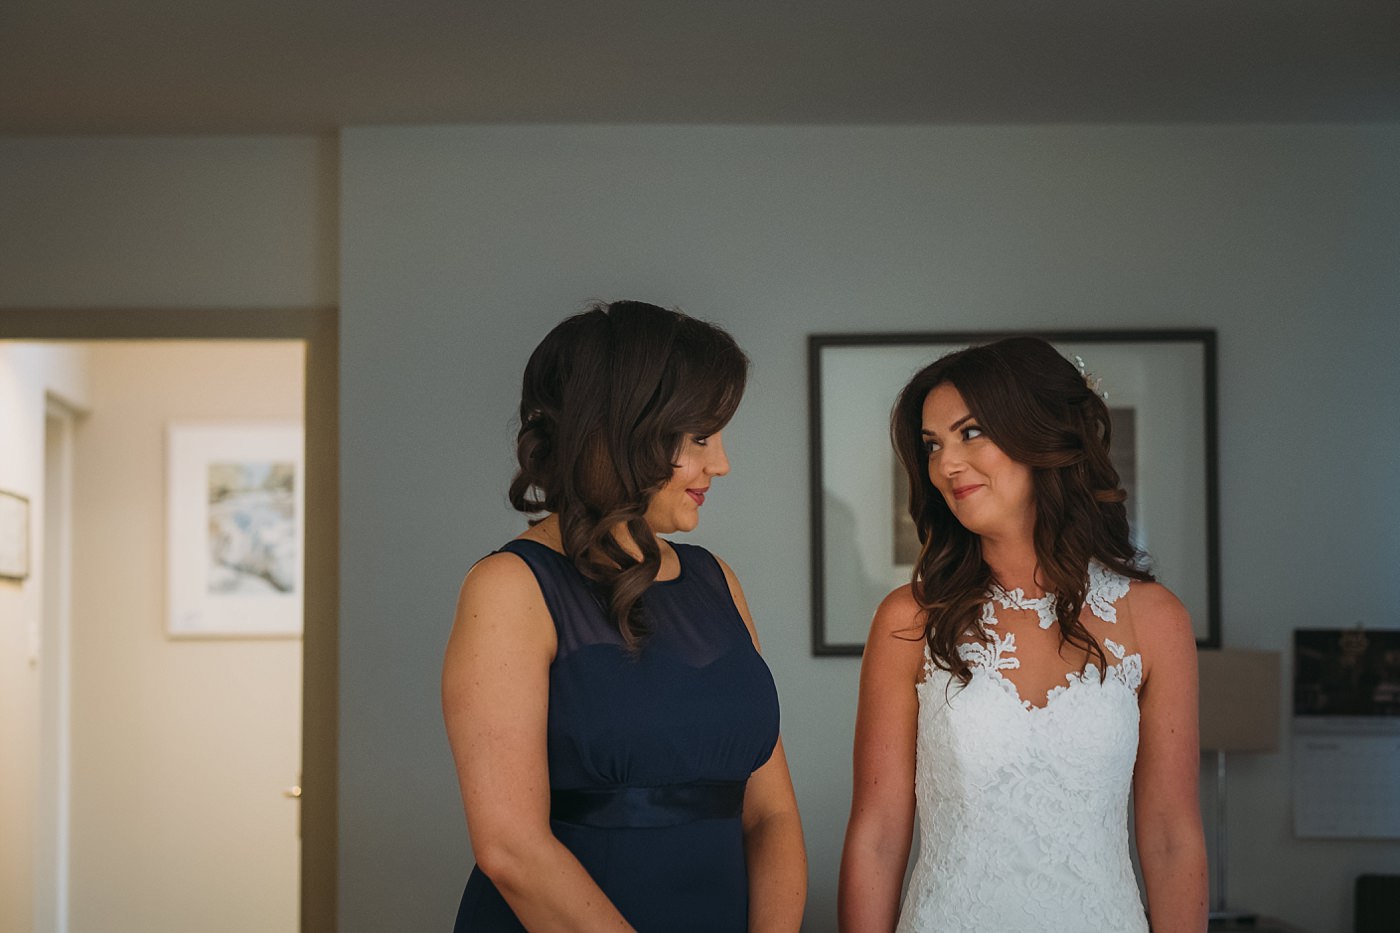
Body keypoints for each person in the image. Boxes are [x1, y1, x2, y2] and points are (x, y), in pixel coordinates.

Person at [442, 300, 807, 932]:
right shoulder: (510, 587)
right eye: (698, 438)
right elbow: (510, 849)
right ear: (621, 431)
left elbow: (769, 815)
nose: (720, 463)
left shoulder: (715, 581)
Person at [838, 336, 1207, 932]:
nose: (946, 464)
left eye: (970, 432)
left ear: (1042, 436)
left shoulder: (1155, 619)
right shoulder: (909, 620)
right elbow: (877, 836)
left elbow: (1170, 837)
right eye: (932, 445)